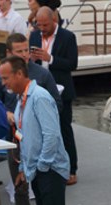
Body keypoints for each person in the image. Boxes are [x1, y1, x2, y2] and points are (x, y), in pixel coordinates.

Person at [0, 55, 70, 205]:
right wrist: (23, 169)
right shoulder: (22, 100)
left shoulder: (39, 98)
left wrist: (39, 167)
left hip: (48, 171)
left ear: (20, 74)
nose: (3, 83)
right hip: (37, 170)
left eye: (6, 78)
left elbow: (51, 136)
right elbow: (23, 134)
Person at [0, 33, 60, 205]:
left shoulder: (42, 77)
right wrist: (6, 114)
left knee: (46, 202)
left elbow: (58, 106)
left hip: (40, 146)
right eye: (19, 51)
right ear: (9, 54)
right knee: (20, 189)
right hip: (16, 143)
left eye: (26, 50)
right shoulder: (0, 79)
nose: (24, 55)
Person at [30, 7, 79, 185]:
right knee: (42, 131)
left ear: (54, 20)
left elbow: (72, 64)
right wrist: (31, 59)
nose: (41, 28)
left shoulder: (68, 37)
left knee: (64, 129)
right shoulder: (34, 36)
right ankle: (46, 166)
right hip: (38, 91)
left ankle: (72, 169)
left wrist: (49, 58)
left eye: (45, 24)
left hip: (61, 91)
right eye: (39, 24)